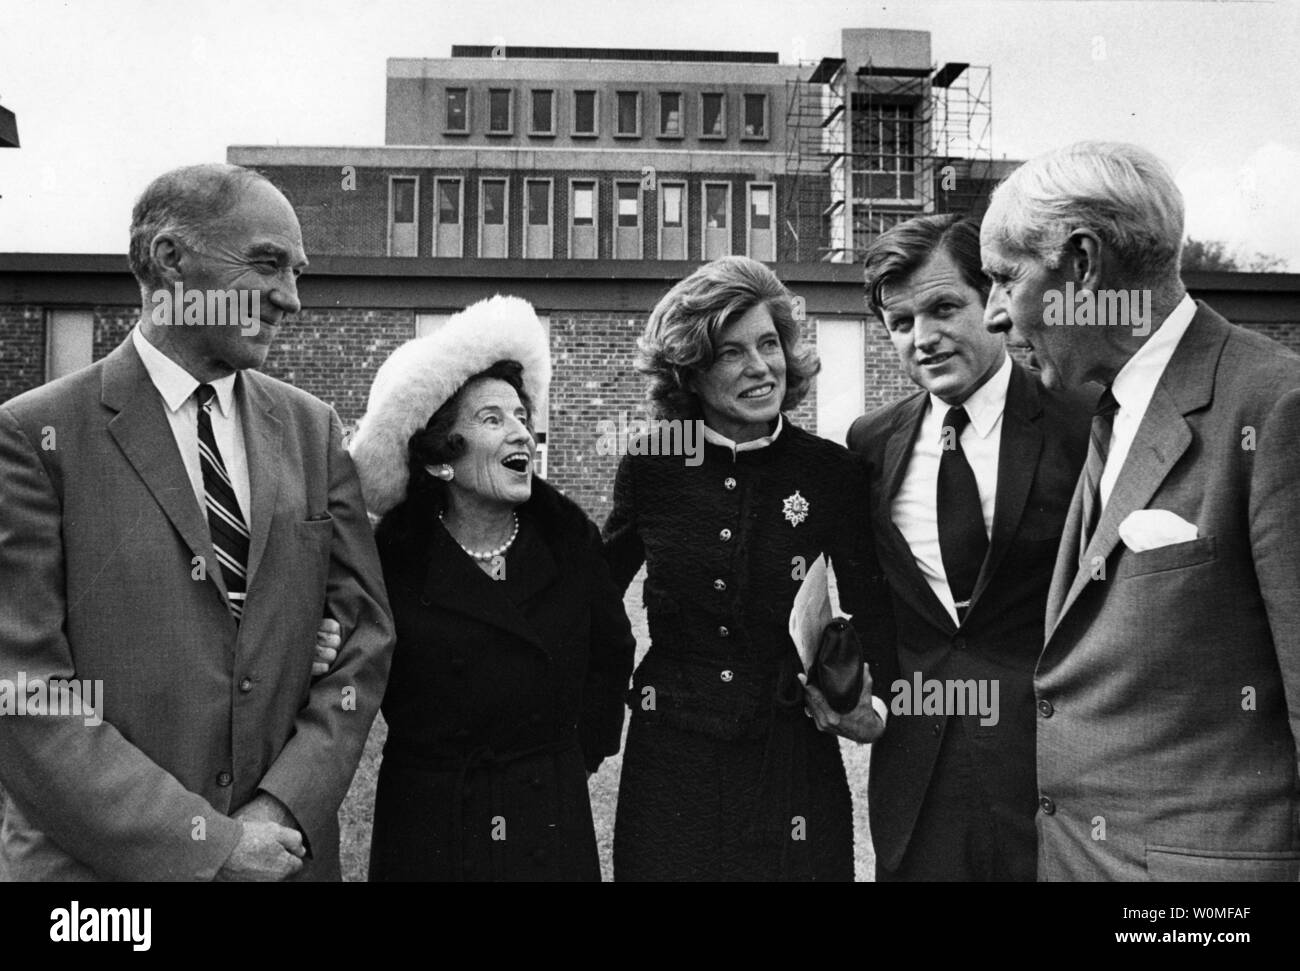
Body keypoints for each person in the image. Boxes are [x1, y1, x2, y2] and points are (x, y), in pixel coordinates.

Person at [0, 163, 394, 881]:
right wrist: (205, 845)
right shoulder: (35, 437)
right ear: (170, 259)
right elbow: (26, 694)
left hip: (284, 861)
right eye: (268, 264)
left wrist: (279, 807)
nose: (290, 299)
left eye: (297, 272)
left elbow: (363, 640)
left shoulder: (313, 431)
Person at [981, 140, 1300, 881]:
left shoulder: (1277, 408)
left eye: (1003, 278)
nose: (994, 313)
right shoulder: (1110, 407)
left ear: (1083, 264)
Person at [604, 255, 892, 881]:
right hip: (672, 761)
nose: (761, 368)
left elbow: (874, 608)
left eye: (769, 344)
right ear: (690, 372)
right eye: (732, 353)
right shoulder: (651, 467)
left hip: (789, 757)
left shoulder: (830, 472)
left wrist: (873, 706)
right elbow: (594, 600)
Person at [347, 295, 635, 881]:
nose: (521, 434)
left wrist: (577, 757)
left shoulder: (568, 538)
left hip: (546, 808)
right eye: (492, 420)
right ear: (438, 462)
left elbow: (613, 651)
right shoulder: (391, 558)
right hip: (429, 814)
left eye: (522, 418)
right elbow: (352, 667)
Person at [847, 214, 1092, 881]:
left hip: (1053, 775)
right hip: (918, 782)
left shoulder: (1083, 422)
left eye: (943, 307)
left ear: (994, 299)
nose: (922, 339)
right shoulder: (870, 443)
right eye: (900, 323)